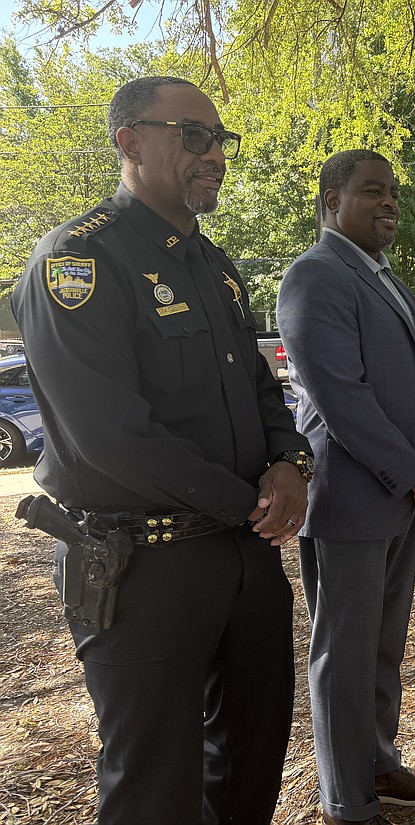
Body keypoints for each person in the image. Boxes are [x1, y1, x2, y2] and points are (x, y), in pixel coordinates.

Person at [12, 76, 311, 824]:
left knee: (249, 763)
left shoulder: (215, 265)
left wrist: (290, 463)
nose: (216, 154)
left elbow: (260, 386)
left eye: (220, 140)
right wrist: (250, 501)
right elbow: (110, 435)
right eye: (194, 136)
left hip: (244, 555)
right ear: (130, 142)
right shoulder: (77, 263)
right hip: (141, 566)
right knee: (155, 784)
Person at [276, 149, 415, 825]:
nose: (389, 203)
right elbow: (340, 397)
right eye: (372, 191)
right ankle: (347, 798)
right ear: (332, 200)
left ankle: (379, 761)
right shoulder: (314, 276)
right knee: (344, 653)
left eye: (393, 194)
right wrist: (414, 473)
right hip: (351, 499)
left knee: (382, 646)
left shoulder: (388, 279)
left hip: (401, 495)